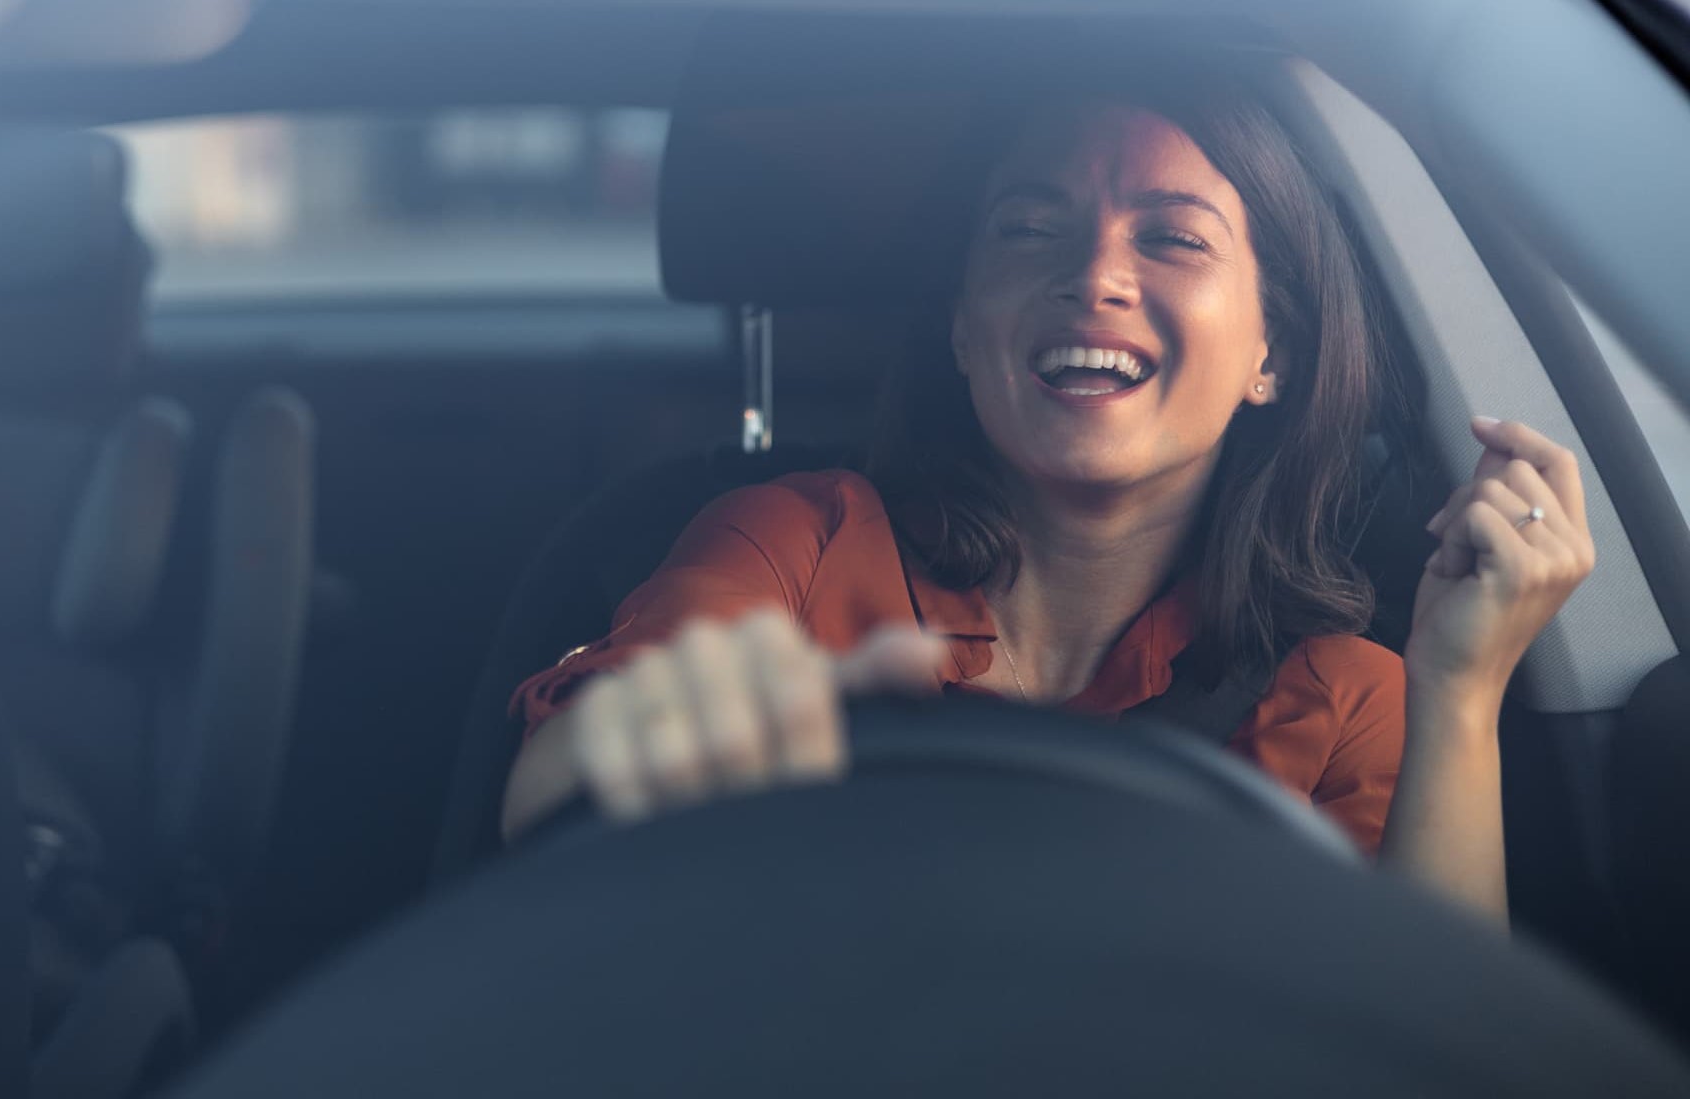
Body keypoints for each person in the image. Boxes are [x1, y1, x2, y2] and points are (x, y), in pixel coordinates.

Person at [499, 68, 1594, 921]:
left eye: (1170, 237)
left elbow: (1433, 1040)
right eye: (1030, 229)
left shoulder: (1347, 696)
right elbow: (549, 804)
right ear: (965, 327)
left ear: (1274, 352)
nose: (1096, 275)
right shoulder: (800, 545)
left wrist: (1461, 693)